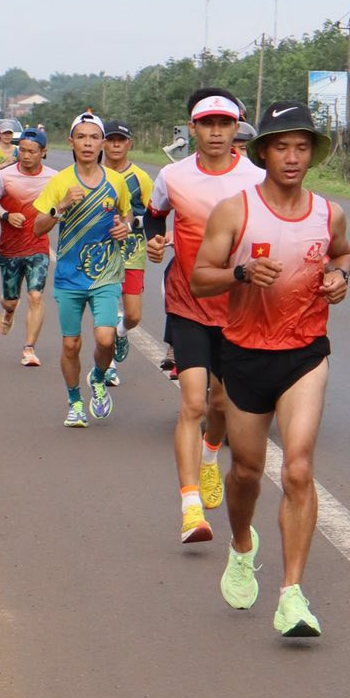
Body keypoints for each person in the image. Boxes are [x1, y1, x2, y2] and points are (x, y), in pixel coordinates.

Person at [191, 102, 350, 639]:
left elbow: (343, 255)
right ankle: (242, 546)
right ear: (263, 152)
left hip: (304, 353)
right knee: (246, 471)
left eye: (302, 147)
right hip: (244, 354)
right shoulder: (234, 211)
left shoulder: (329, 214)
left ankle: (292, 595)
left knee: (298, 469)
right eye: (282, 146)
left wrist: (339, 277)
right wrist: (240, 272)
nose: (292, 157)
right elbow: (200, 279)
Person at [145, 89, 263, 545]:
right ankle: (191, 507)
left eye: (224, 124)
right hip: (189, 301)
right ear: (192, 128)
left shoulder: (257, 178)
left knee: (221, 404)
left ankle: (211, 452)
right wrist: (155, 240)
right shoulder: (173, 175)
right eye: (207, 124)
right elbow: (154, 215)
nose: (216, 133)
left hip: (238, 306)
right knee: (193, 404)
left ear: (237, 128)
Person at [32, 112, 132, 426]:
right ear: (71, 142)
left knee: (105, 338)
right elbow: (37, 227)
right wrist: (60, 206)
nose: (88, 143)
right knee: (70, 344)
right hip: (69, 276)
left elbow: (127, 216)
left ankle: (98, 378)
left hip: (105, 274)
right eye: (81, 137)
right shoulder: (60, 182)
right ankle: (75, 401)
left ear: (102, 143)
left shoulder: (116, 181)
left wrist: (125, 227)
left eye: (94, 137)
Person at [0, 130, 57, 361]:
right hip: (10, 248)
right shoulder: (4, 176)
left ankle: (29, 349)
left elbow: (64, 206)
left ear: (43, 152)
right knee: (10, 301)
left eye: (32, 151)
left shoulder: (54, 178)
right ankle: (8, 311)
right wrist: (6, 215)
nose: (26, 156)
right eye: (22, 151)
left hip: (38, 246)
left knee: (35, 296)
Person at [101, 121, 154, 385]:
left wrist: (132, 225)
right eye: (111, 139)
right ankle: (107, 365)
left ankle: (121, 333)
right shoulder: (95, 174)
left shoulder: (140, 178)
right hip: (100, 252)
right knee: (107, 310)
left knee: (132, 315)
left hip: (133, 251)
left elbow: (155, 216)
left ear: (129, 144)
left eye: (120, 140)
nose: (115, 145)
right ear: (103, 143)